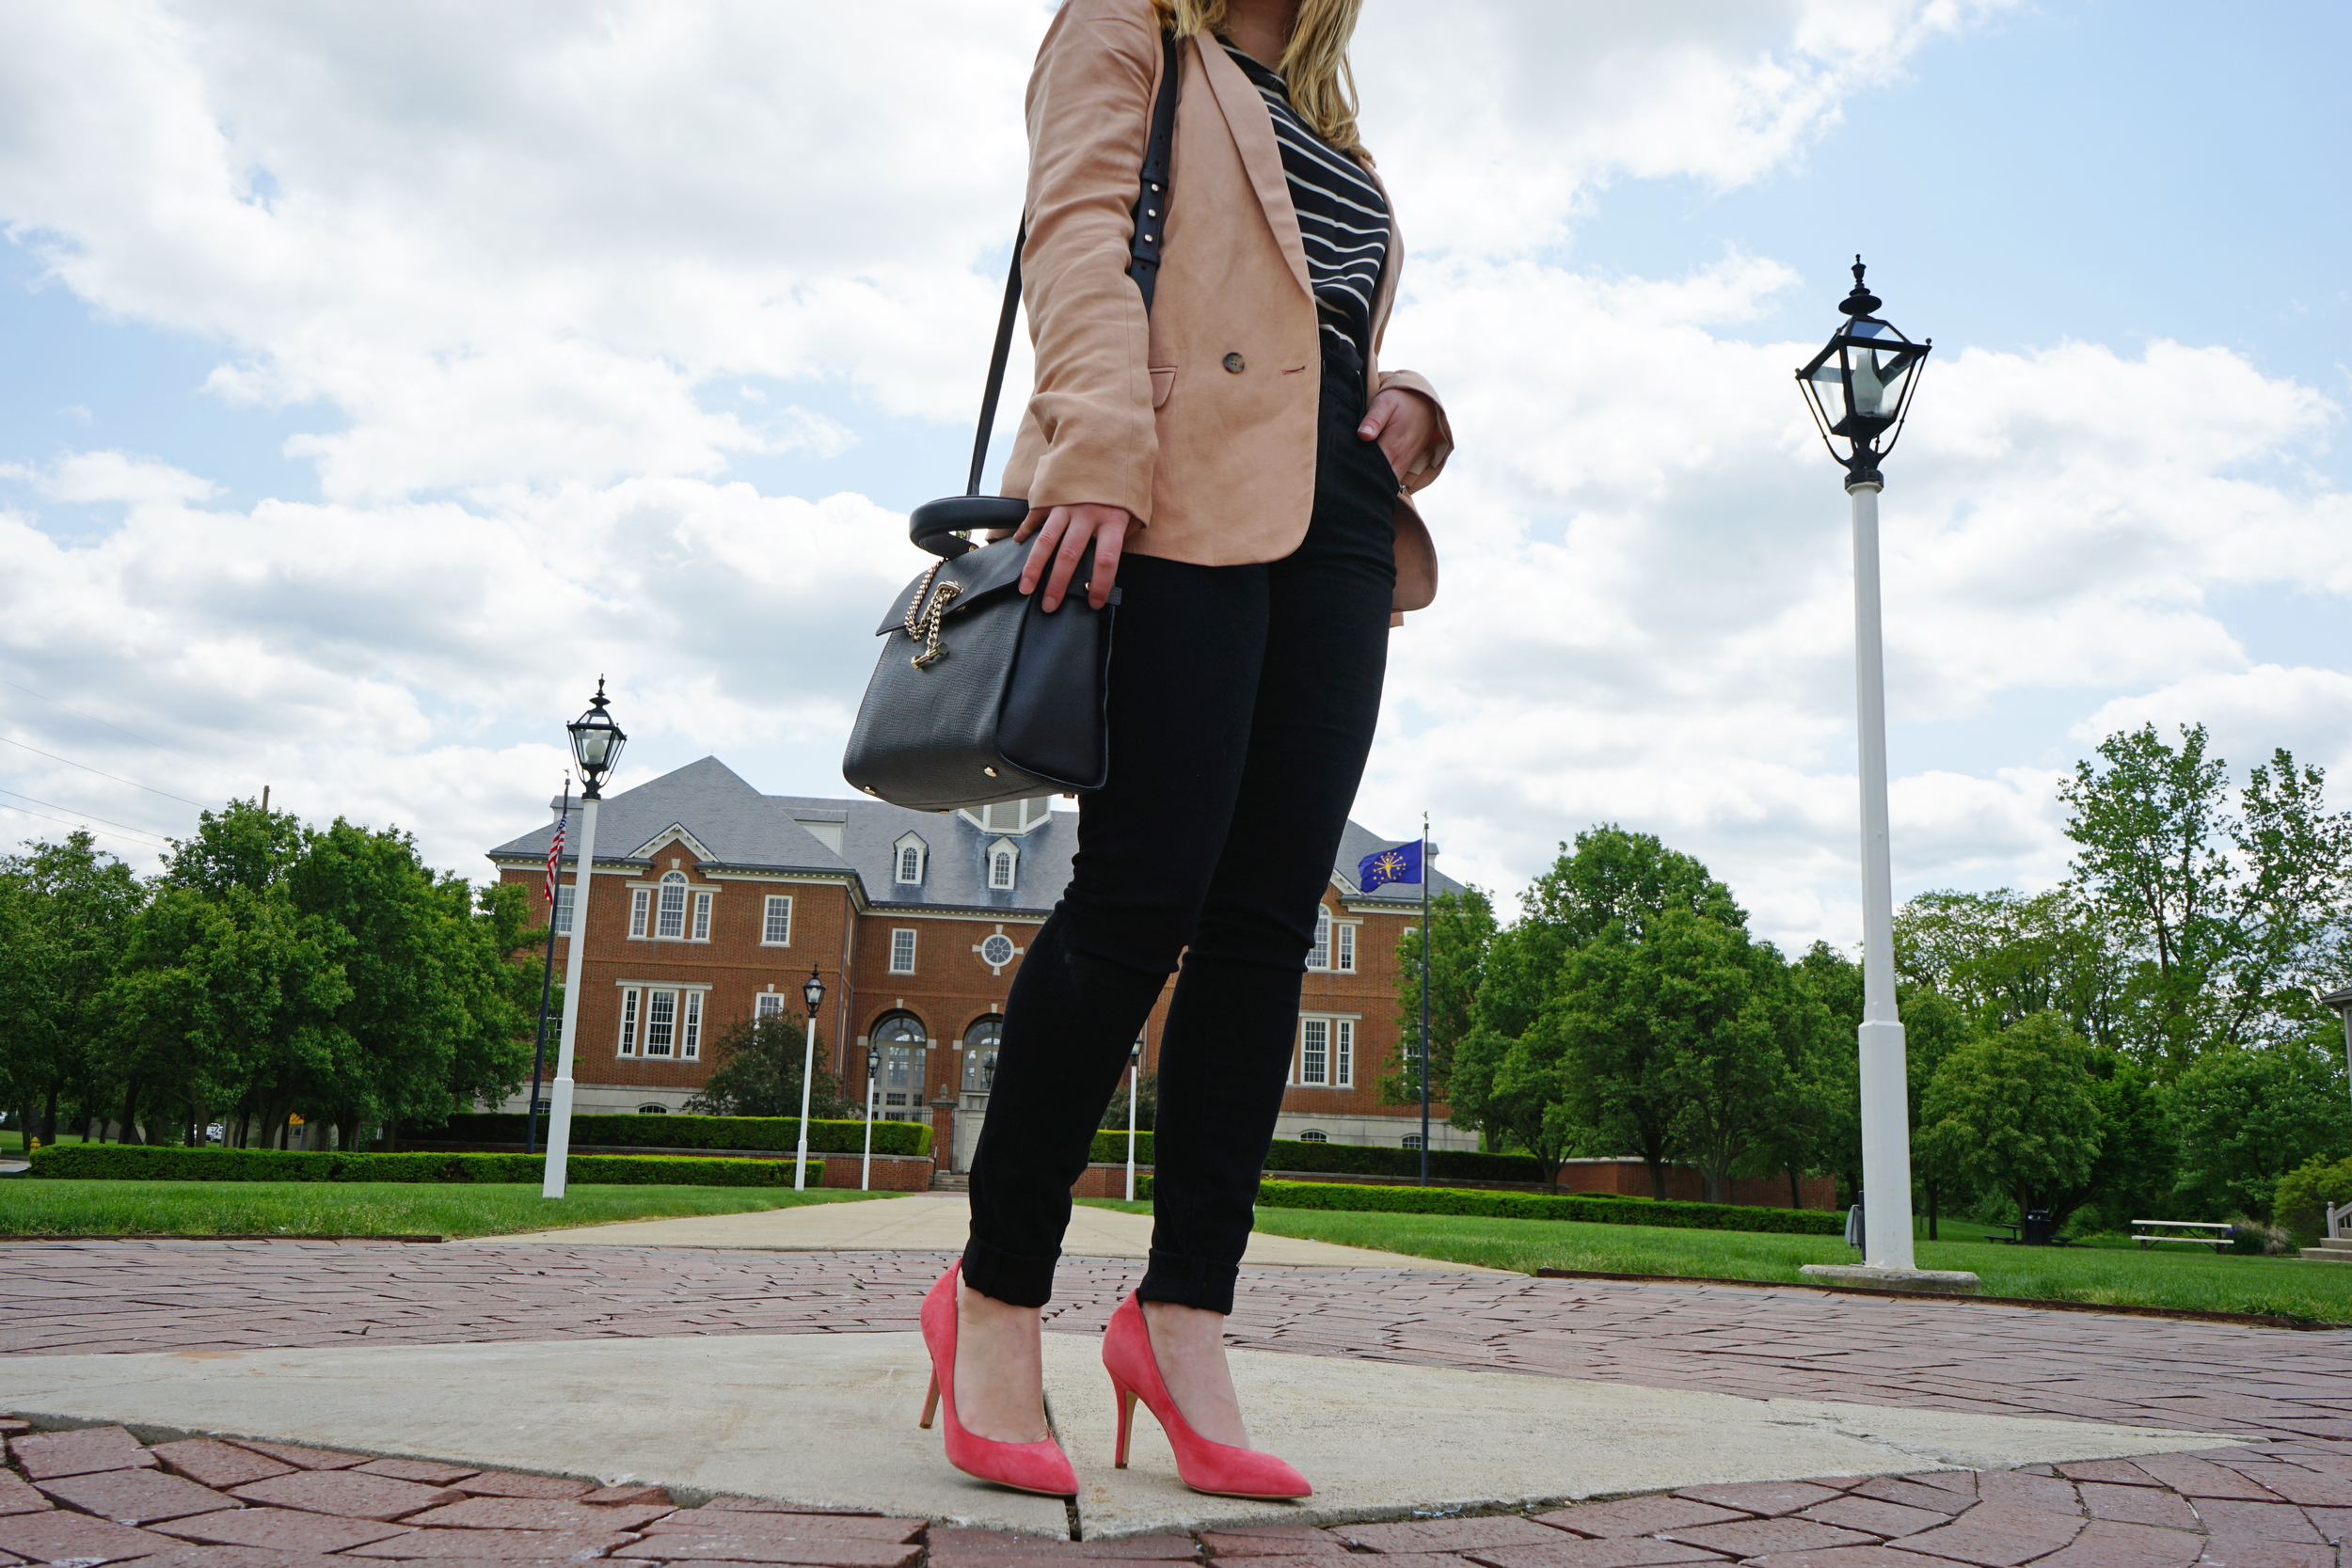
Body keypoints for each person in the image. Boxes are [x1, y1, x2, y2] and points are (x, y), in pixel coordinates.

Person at [915, 0, 1453, 1500]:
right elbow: (1074, 231)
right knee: (1143, 891)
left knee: (1270, 929)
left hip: (1337, 522)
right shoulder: (1130, 27)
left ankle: (1183, 1320)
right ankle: (996, 1299)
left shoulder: (1327, 118)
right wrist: (1092, 437)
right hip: (1168, 482)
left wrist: (1403, 397)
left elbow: (1310, 315)